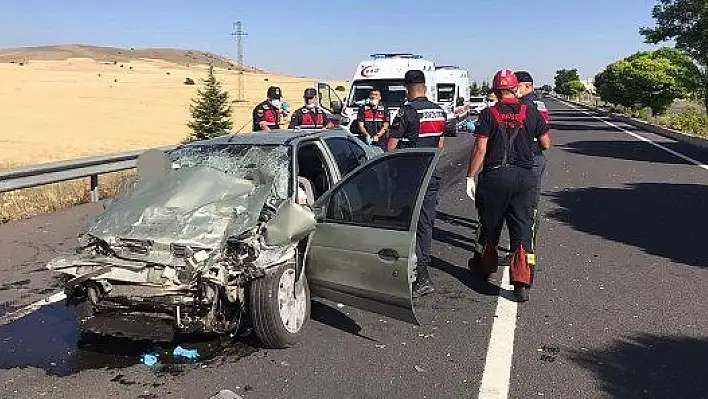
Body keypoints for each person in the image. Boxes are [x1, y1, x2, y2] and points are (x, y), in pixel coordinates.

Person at [466, 69, 551, 302]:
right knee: (523, 226)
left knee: (490, 225)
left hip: (495, 176)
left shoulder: (488, 113)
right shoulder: (531, 111)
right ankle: (521, 280)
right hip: (525, 177)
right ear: (515, 88)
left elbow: (480, 148)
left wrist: (470, 176)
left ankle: (484, 267)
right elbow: (546, 143)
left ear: (495, 90)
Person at [388, 70, 446, 298]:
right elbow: (441, 144)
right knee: (425, 222)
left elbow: (391, 146)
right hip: (431, 172)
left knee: (408, 222)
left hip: (410, 175)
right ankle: (423, 269)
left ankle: (418, 275)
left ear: (407, 87)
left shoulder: (407, 111)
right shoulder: (439, 110)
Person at [514, 70, 550, 265]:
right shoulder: (540, 103)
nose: (513, 89)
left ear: (526, 86)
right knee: (531, 207)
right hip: (537, 156)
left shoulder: (526, 106)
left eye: (516, 86)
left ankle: (524, 252)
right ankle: (527, 249)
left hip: (527, 158)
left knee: (525, 208)